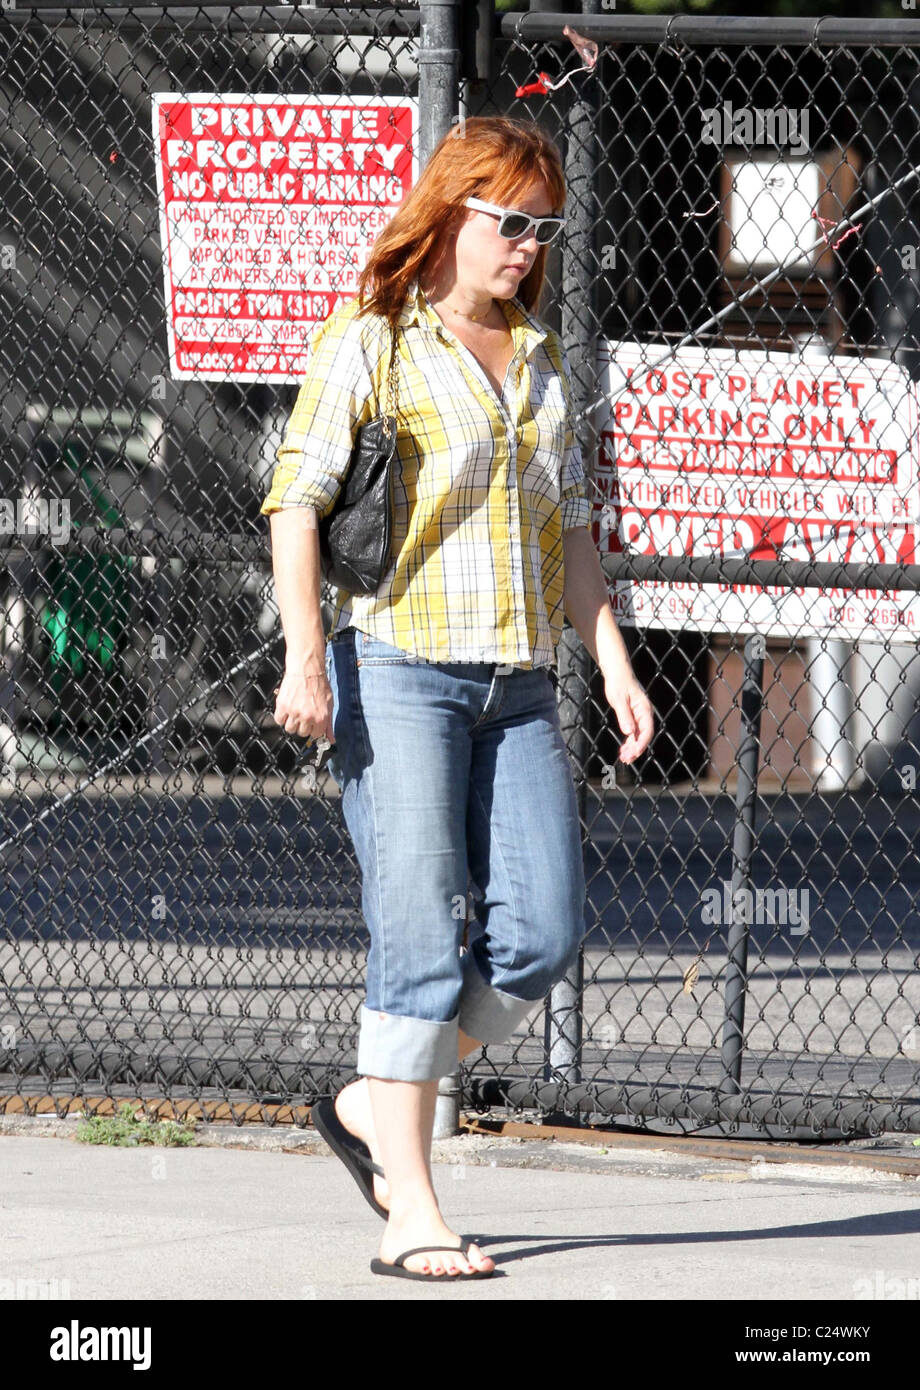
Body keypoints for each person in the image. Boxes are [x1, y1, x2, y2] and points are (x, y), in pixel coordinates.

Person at [261, 116, 654, 1282]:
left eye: (544, 228)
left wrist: (614, 660)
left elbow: (571, 528)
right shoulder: (370, 338)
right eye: (509, 222)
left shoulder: (538, 358)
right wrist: (301, 657)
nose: (527, 246)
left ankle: (371, 1100)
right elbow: (296, 503)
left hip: (520, 682)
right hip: (397, 669)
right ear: (451, 212)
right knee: (420, 936)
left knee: (539, 934)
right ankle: (412, 1202)